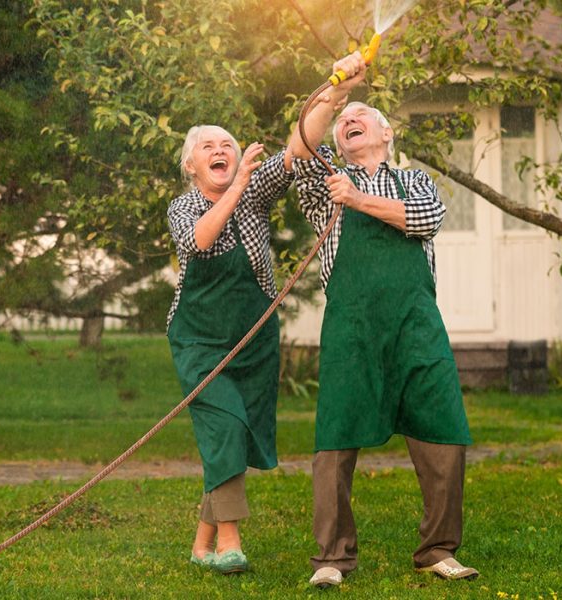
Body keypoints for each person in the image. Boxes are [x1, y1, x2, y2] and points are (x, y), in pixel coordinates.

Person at [166, 53, 367, 575]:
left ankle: (201, 544)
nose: (220, 150)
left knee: (233, 434)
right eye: (207, 147)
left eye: (227, 145)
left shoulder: (254, 187)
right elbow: (201, 240)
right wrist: (237, 188)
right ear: (191, 166)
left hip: (253, 340)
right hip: (198, 341)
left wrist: (336, 91)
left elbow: (300, 146)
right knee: (226, 428)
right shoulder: (185, 207)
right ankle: (230, 543)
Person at [287, 59, 479, 588]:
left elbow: (423, 219)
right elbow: (299, 145)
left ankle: (438, 549)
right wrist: (337, 86)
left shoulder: (415, 179)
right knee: (334, 441)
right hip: (351, 328)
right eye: (345, 120)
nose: (351, 118)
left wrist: (359, 200)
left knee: (444, 432)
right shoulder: (326, 182)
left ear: (386, 133)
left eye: (362, 114)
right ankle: (333, 557)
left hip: (417, 326)